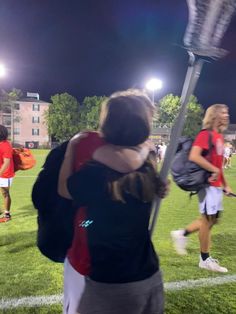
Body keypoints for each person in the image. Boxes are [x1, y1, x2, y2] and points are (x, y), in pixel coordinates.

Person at [58, 89, 169, 314]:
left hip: (110, 282)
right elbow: (149, 181)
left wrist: (71, 149)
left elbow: (64, 190)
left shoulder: (96, 172)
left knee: (84, 223)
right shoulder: (147, 166)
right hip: (148, 274)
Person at [171, 104, 233, 273]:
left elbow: (218, 165)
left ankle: (181, 234)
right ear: (213, 115)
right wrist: (213, 171)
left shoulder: (218, 136)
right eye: (223, 112)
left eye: (227, 112)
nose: (227, 115)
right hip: (206, 185)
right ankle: (204, 259)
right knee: (207, 221)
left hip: (215, 185)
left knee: (212, 220)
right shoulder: (205, 135)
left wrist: (225, 184)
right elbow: (194, 156)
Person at [0, 125, 15, 223]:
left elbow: (7, 162)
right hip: (2, 173)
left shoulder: (5, 145)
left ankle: (7, 215)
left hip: (5, 174)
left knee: (5, 193)